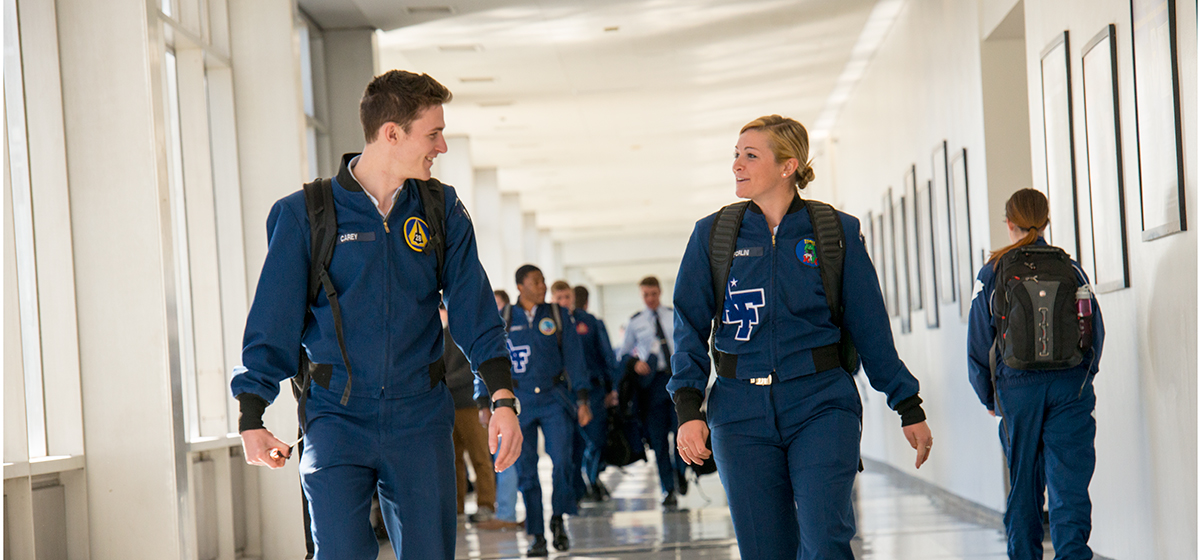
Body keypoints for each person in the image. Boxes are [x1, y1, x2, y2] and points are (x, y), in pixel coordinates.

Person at [230, 70, 522, 560]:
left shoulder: (441, 209)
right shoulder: (306, 214)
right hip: (335, 419)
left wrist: (502, 395)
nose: (442, 147)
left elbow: (474, 309)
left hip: (420, 419)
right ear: (392, 133)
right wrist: (251, 414)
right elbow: (272, 321)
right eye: (433, 134)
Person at [670, 114, 933, 559]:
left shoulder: (835, 232)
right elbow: (689, 327)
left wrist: (907, 404)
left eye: (750, 155)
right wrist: (687, 407)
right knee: (764, 549)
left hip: (821, 404)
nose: (737, 164)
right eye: (736, 154)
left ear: (788, 166)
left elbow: (871, 328)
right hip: (738, 411)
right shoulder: (712, 235)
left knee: (827, 539)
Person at [967, 188, 1104, 560]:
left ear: (1008, 224)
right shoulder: (1071, 268)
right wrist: (1081, 379)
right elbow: (1095, 332)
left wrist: (989, 396)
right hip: (1068, 386)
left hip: (1017, 391)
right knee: (1069, 484)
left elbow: (979, 343)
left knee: (1023, 486)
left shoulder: (995, 272)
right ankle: (1073, 553)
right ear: (1046, 221)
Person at [502, 265, 593, 556]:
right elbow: (490, 361)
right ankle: (537, 534)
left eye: (543, 281)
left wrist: (582, 399)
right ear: (520, 286)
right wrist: (486, 402)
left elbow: (574, 357)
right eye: (536, 281)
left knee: (563, 461)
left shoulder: (555, 315)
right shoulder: (504, 318)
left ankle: (558, 519)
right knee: (526, 469)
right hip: (521, 402)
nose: (543, 286)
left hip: (555, 398)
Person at [617, 276, 688, 507]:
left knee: (681, 432)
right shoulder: (635, 322)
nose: (650, 299)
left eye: (654, 294)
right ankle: (668, 489)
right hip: (652, 385)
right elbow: (623, 353)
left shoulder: (672, 315)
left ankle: (680, 471)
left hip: (675, 380)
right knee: (658, 440)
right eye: (646, 295)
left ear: (660, 292)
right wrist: (634, 362)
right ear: (641, 295)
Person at [441, 305, 496, 522]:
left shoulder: (467, 334)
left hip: (470, 405)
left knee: (480, 457)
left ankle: (486, 504)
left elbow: (472, 370)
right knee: (452, 461)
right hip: (447, 407)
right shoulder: (440, 336)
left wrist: (444, 382)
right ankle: (457, 506)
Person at [573, 285, 620, 500]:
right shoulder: (559, 323)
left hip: (594, 389)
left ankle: (591, 478)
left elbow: (606, 356)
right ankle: (585, 483)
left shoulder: (591, 323)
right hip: (574, 391)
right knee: (581, 441)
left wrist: (611, 389)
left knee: (596, 438)